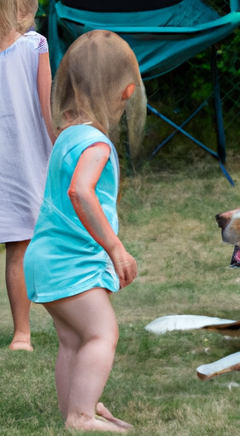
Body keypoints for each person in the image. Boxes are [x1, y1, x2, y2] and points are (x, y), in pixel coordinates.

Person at [24, 30, 143, 432]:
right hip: (69, 262)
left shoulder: (66, 137)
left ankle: (77, 406)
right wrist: (116, 248)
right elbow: (80, 192)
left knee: (73, 341)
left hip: (43, 259)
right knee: (101, 334)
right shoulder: (96, 144)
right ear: (126, 93)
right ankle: (81, 416)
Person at [0, 0, 55, 351]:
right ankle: (22, 332)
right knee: (22, 248)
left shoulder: (35, 45)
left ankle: (23, 331)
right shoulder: (34, 46)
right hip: (23, 163)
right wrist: (63, 152)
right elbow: (48, 110)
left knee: (20, 247)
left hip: (18, 162)